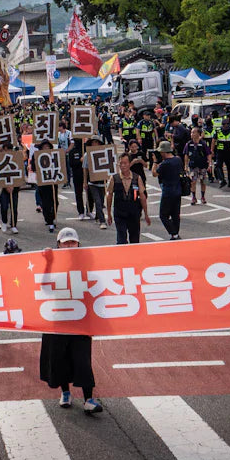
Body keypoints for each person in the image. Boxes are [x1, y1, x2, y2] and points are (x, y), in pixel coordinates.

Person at [39, 228, 103, 413]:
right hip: (58, 320)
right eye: (65, 242)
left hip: (80, 321)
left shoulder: (86, 263)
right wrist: (48, 263)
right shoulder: (51, 263)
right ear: (58, 245)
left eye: (72, 242)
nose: (69, 245)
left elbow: (95, 287)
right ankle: (65, 393)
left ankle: (89, 398)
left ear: (78, 244)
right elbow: (45, 288)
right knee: (59, 359)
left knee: (83, 360)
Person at [105, 152, 150, 245]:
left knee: (134, 239)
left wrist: (146, 214)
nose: (123, 165)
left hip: (134, 213)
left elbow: (142, 196)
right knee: (121, 240)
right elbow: (109, 195)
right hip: (119, 212)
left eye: (125, 163)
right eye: (121, 163)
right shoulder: (114, 178)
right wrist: (108, 213)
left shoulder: (137, 178)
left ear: (130, 164)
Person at [153, 141, 183, 241]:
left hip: (168, 191)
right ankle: (176, 233)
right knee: (175, 214)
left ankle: (173, 232)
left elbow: (154, 173)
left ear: (164, 152)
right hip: (178, 190)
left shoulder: (165, 164)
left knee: (163, 215)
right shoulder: (178, 160)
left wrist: (154, 162)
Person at [182, 127, 212, 205]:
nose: (192, 134)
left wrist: (210, 164)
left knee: (203, 181)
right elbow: (186, 155)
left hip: (203, 166)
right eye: (191, 132)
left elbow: (208, 154)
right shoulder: (188, 144)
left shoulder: (203, 144)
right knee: (193, 181)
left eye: (194, 132)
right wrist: (185, 165)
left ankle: (202, 197)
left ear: (199, 134)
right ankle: (193, 197)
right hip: (193, 165)